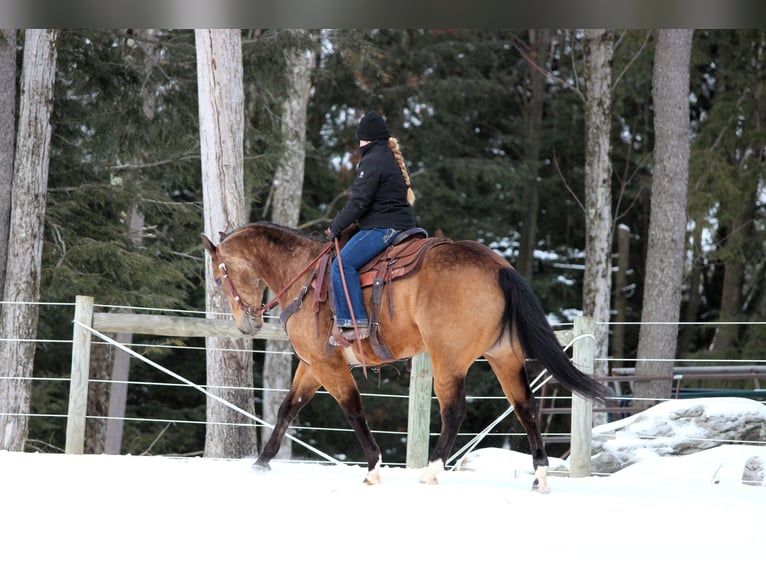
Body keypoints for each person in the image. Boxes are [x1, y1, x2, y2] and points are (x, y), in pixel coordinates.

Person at [325, 111, 417, 345]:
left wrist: (335, 227)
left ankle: (354, 322)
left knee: (342, 265)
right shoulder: (385, 156)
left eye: (360, 139)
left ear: (365, 139)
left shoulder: (372, 159)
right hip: (398, 223)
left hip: (384, 227)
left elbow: (359, 201)